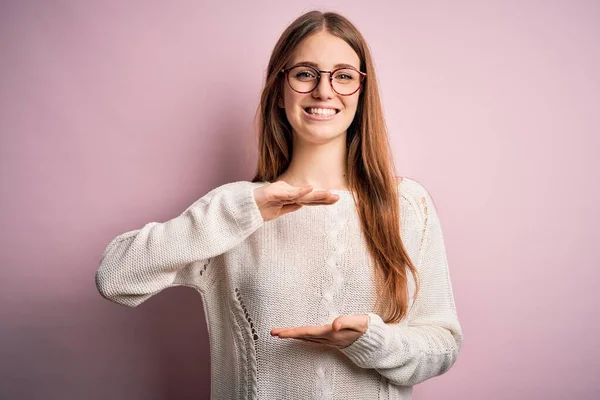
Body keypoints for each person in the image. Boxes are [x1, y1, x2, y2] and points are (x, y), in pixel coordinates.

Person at [95, 10, 463, 399]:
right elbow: (116, 278)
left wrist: (371, 341)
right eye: (305, 73)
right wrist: (242, 210)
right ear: (279, 90)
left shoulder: (407, 205)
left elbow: (443, 344)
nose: (324, 91)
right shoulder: (235, 210)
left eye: (343, 76)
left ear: (362, 91)